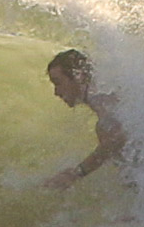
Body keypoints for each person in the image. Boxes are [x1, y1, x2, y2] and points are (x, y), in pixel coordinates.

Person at [43, 48, 128, 189]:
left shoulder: (99, 98)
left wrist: (76, 173)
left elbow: (117, 138)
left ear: (78, 76)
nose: (56, 92)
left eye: (58, 83)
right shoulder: (105, 90)